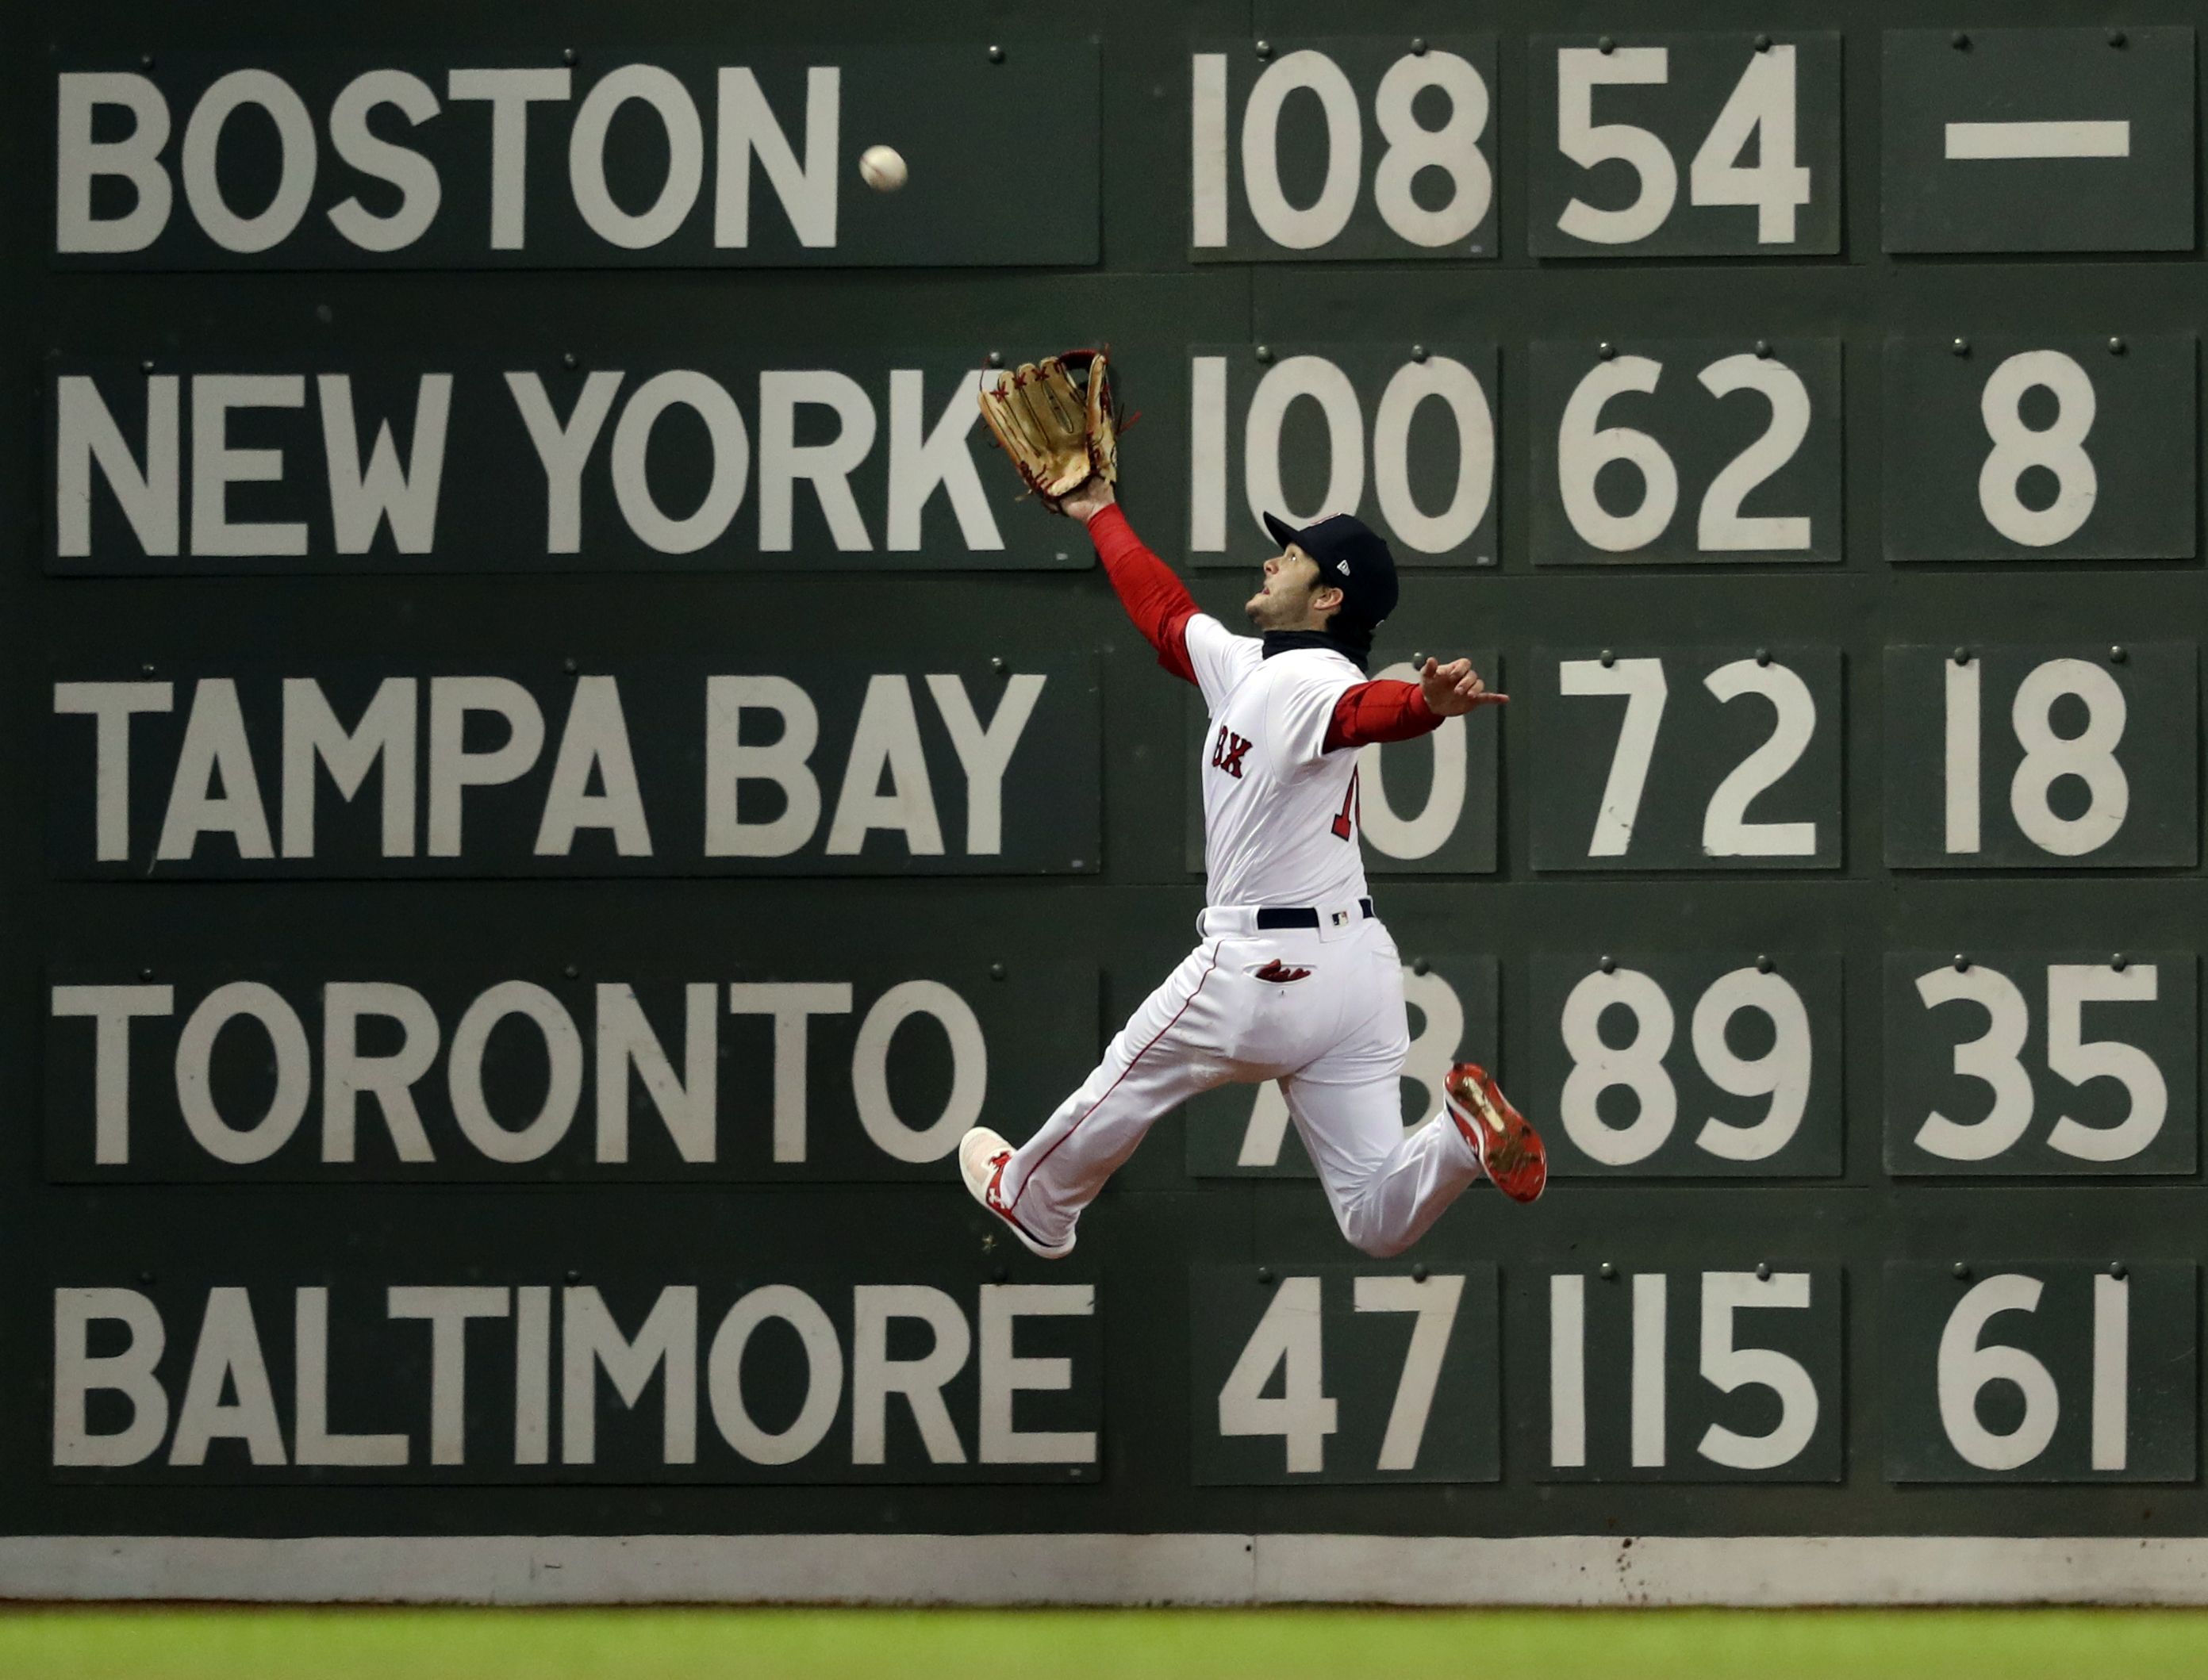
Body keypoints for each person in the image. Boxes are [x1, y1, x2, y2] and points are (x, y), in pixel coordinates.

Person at [958, 470, 1545, 1260]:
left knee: (1127, 1074)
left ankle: (1033, 1199)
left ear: (1329, 597)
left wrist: (1421, 706)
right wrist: (1100, 514)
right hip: (1355, 976)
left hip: (1261, 972)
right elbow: (1165, 617)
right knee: (1372, 1216)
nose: (1271, 563)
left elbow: (1355, 714)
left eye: (1291, 557)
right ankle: (1456, 1142)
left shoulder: (1309, 682)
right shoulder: (1258, 666)